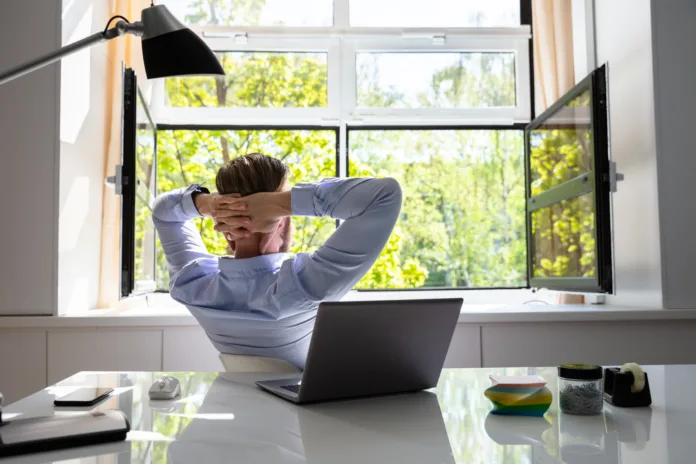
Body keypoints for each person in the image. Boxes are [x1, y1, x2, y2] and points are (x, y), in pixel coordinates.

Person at [152, 153, 402, 370]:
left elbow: (162, 212)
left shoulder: (192, 284)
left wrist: (209, 204)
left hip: (233, 403)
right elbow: (384, 195)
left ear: (228, 235)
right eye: (282, 210)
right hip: (304, 417)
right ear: (279, 221)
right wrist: (280, 203)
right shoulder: (305, 287)